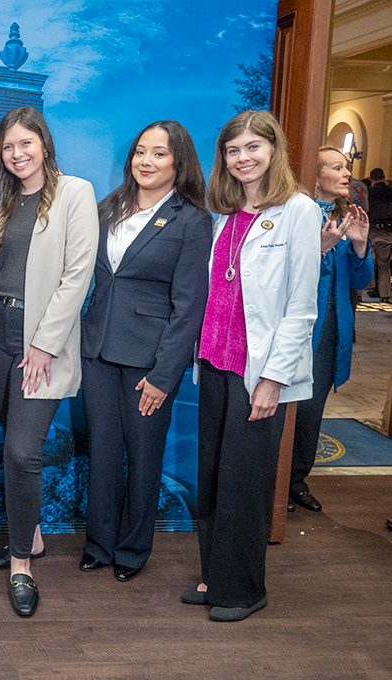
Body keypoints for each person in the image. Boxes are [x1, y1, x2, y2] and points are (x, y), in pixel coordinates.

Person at [185, 110, 320, 622]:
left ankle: (243, 589)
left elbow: (301, 308)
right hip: (216, 366)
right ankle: (213, 575)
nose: (242, 158)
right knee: (214, 479)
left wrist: (273, 379)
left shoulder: (299, 211)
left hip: (256, 375)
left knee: (244, 484)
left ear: (274, 151)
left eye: (252, 148)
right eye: (232, 150)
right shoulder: (223, 215)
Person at [0, 106, 98, 616]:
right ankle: (34, 536)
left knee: (22, 453)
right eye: (7, 147)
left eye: (26, 143)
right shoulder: (1, 200)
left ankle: (23, 564)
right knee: (10, 437)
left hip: (40, 344)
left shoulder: (74, 193)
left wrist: (44, 345)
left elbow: (77, 275)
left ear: (44, 143)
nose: (17, 154)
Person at [79, 121, 212, 582]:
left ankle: (133, 549)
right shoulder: (107, 208)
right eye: (140, 151)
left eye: (159, 153)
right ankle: (98, 543)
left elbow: (190, 306)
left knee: (143, 456)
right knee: (102, 450)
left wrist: (163, 374)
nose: (146, 161)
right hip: (95, 350)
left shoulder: (192, 220)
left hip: (149, 361)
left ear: (179, 161)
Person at [287, 148, 371, 513]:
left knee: (311, 410)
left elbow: (361, 279)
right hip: (300, 325)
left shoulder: (345, 217)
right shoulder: (294, 215)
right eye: (337, 168)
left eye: (347, 168)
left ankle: (295, 480)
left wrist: (359, 244)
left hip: (331, 329)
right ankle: (273, 483)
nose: (346, 175)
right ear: (314, 173)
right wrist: (320, 249)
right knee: (286, 408)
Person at [366, 168, 392, 301]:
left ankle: (360, 293)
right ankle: (385, 295)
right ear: (384, 176)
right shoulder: (390, 192)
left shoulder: (368, 192)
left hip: (370, 230)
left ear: (371, 179)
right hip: (386, 232)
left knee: (365, 260)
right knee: (384, 264)